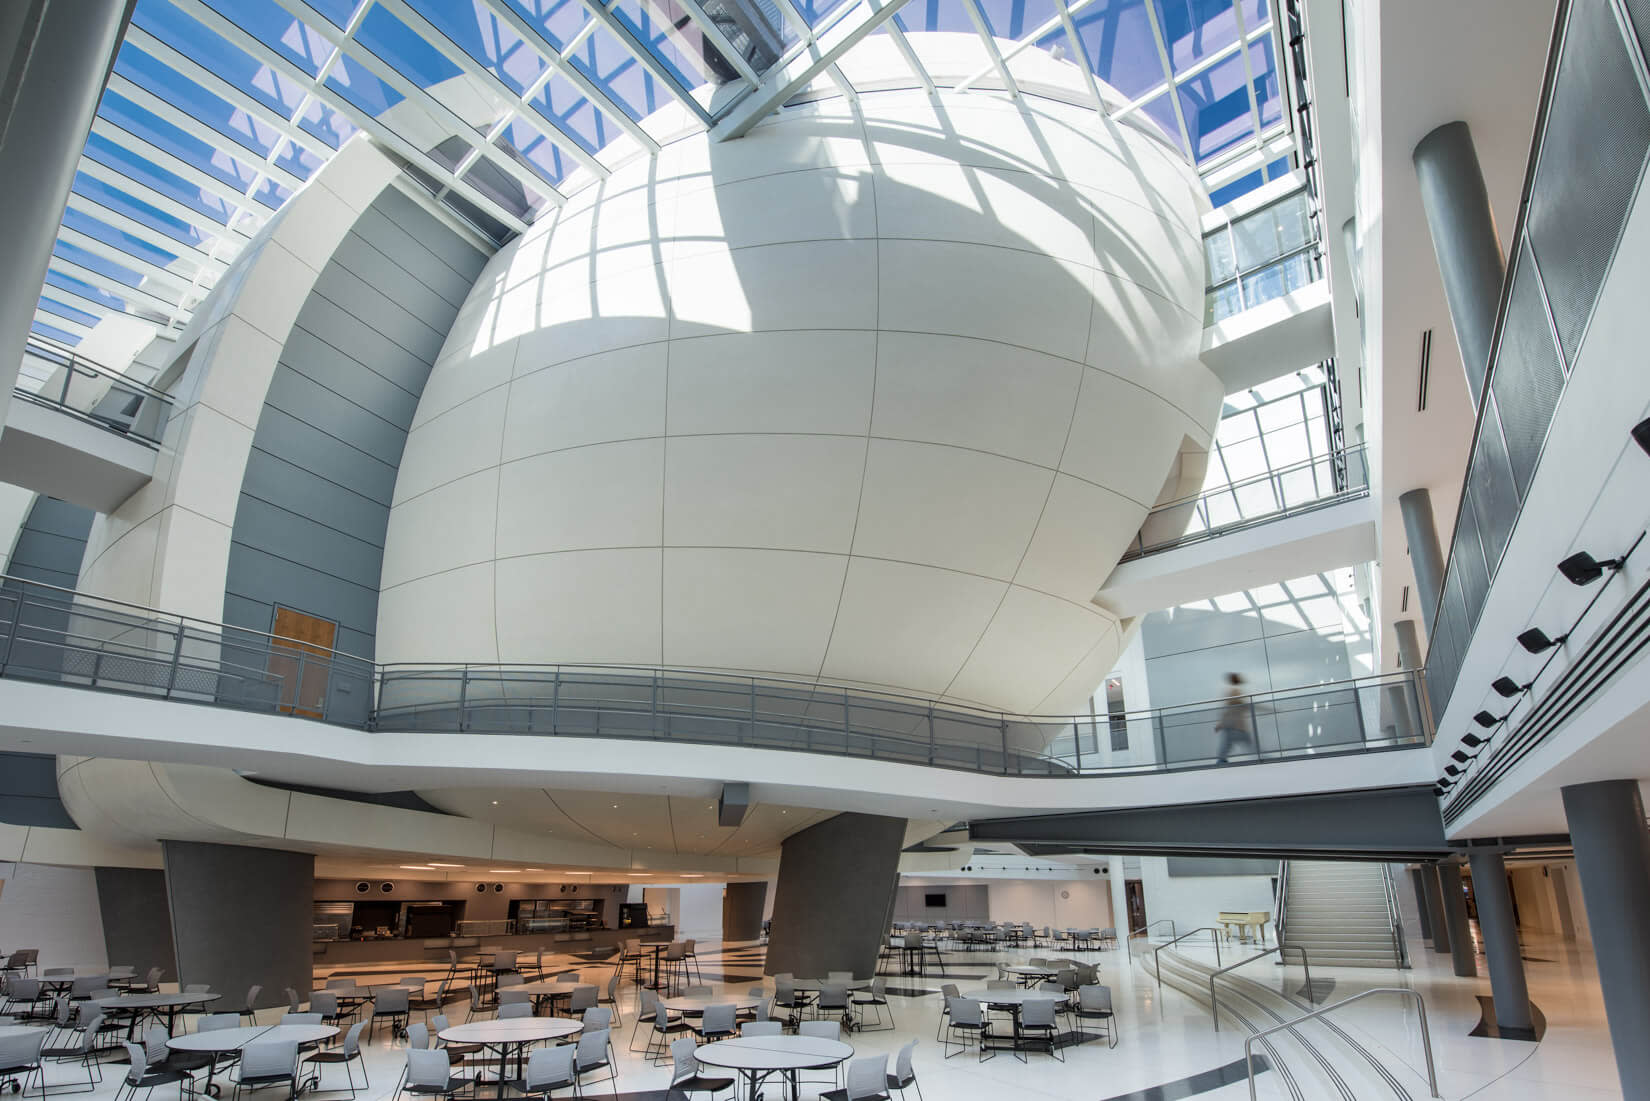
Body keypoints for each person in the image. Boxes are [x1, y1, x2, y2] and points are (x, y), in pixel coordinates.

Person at [1214, 673, 1256, 764]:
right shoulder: (1236, 691)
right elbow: (1233, 709)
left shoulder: (1234, 692)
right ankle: (1221, 761)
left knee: (1225, 747)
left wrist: (1221, 724)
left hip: (1233, 727)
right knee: (1252, 747)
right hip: (1237, 726)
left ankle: (1220, 762)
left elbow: (1229, 711)